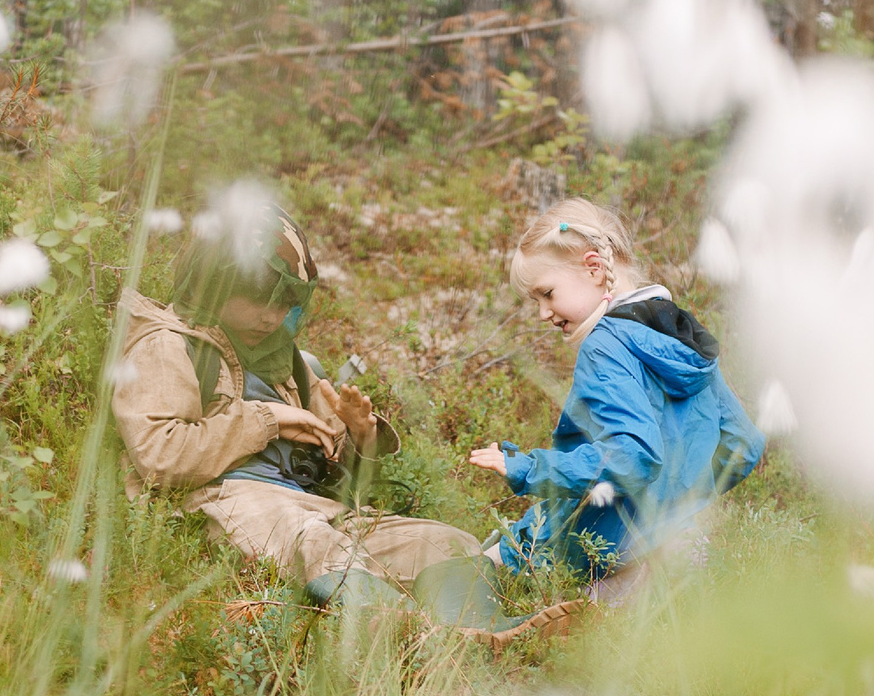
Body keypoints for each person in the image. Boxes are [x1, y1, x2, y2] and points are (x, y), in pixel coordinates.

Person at [113, 202, 570, 642]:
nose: (272, 316)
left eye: (285, 301)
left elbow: (337, 466)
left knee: (446, 542)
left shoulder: (285, 359)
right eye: (257, 297)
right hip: (224, 501)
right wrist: (267, 419)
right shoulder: (166, 345)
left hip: (314, 507)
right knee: (314, 541)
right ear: (213, 281)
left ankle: (481, 634)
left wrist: (360, 434)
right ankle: (417, 640)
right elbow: (160, 456)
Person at [468, 199, 763, 595]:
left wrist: (529, 468)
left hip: (610, 557)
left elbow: (631, 457)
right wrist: (679, 503)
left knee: (468, 584)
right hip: (687, 546)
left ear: (594, 268)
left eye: (547, 293)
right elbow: (744, 444)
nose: (542, 313)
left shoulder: (605, 346)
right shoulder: (676, 332)